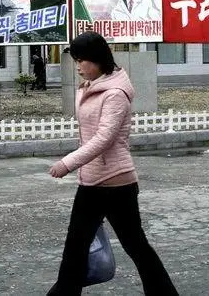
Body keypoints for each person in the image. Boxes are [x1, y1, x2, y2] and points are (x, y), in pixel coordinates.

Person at [47, 31, 177, 295]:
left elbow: (104, 138)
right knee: (75, 247)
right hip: (91, 181)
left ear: (97, 58)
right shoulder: (91, 86)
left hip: (116, 184)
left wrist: (67, 163)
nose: (78, 66)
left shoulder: (115, 93)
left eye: (81, 60)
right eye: (76, 60)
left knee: (135, 245)